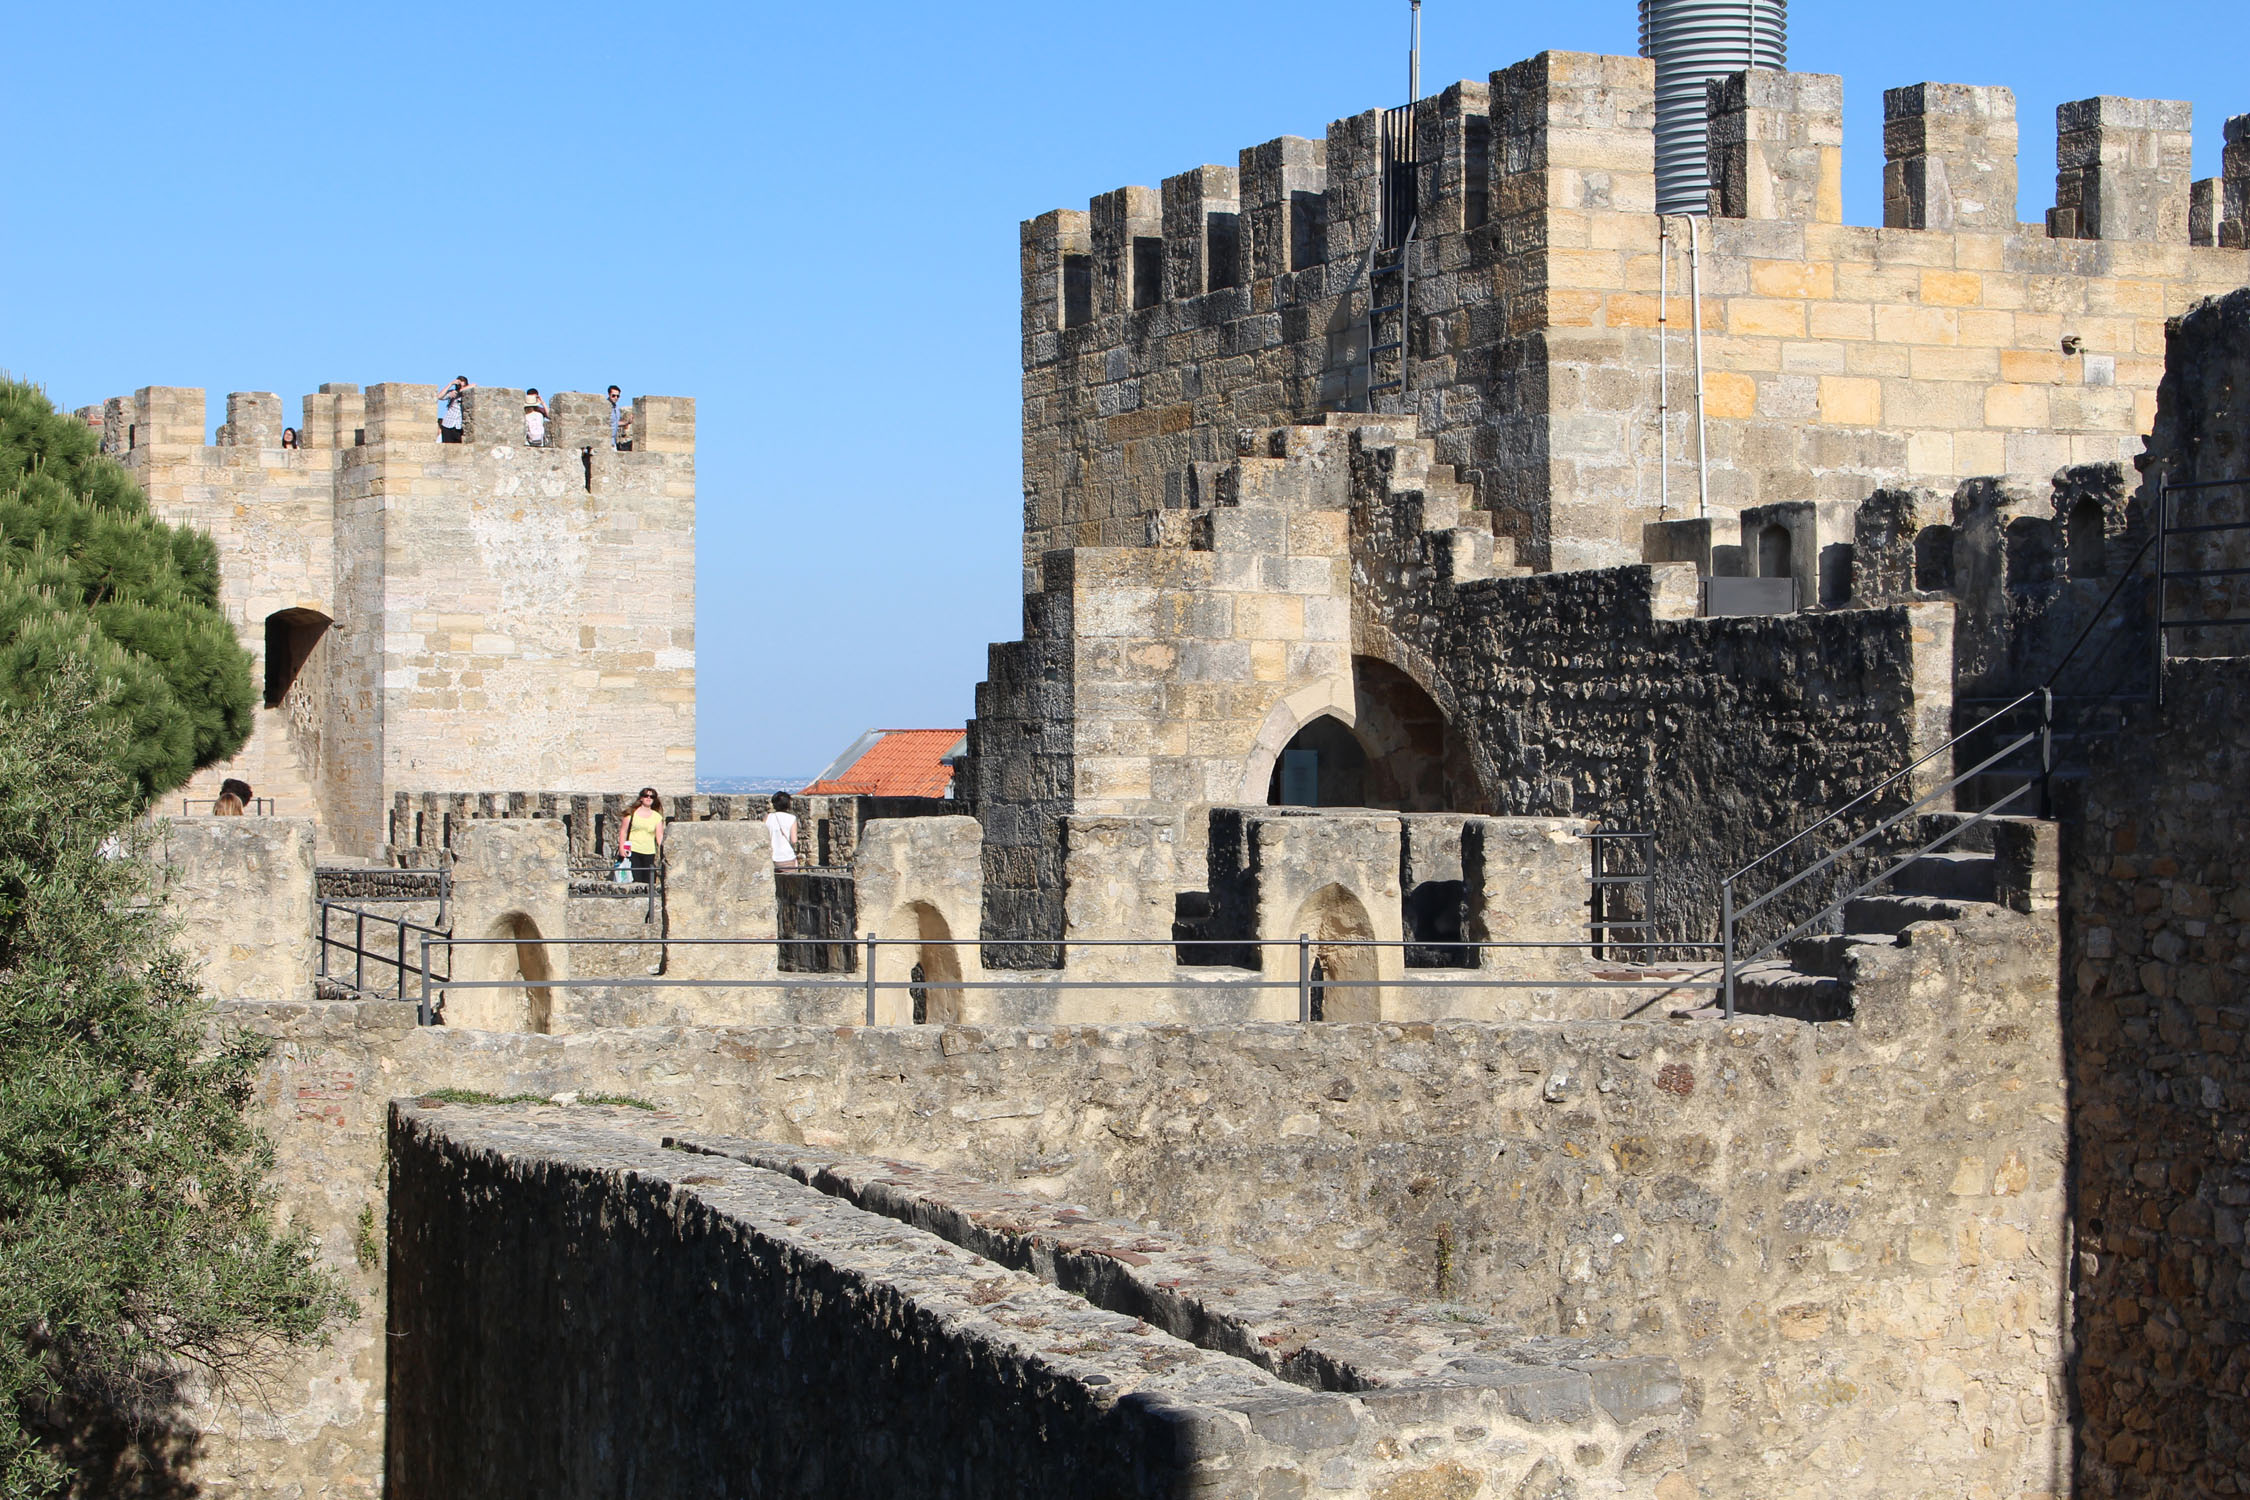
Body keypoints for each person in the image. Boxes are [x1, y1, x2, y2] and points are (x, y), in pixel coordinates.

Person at [618, 787, 665, 881]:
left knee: (648, 880)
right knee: (635, 878)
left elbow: (659, 836)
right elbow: (623, 831)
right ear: (641, 798)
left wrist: (664, 852)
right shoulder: (631, 814)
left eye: (652, 797)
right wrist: (621, 848)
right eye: (646, 796)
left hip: (649, 851)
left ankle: (646, 896)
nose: (649, 798)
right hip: (632, 850)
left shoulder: (657, 817)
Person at [765, 791, 799, 870]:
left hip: (771, 857)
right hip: (787, 857)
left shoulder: (767, 817)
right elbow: (794, 840)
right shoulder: (791, 818)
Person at [438, 376, 470, 443]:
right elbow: (439, 396)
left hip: (459, 425)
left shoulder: (468, 393)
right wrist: (450, 384)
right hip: (448, 423)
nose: (460, 383)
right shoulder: (453, 393)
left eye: (462, 381)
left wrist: (460, 391)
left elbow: (474, 385)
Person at [606, 385, 630, 450]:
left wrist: (627, 422)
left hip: (613, 442)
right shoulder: (605, 407)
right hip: (606, 441)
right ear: (609, 394)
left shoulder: (616, 408)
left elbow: (615, 423)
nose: (616, 397)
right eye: (613, 395)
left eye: (618, 396)